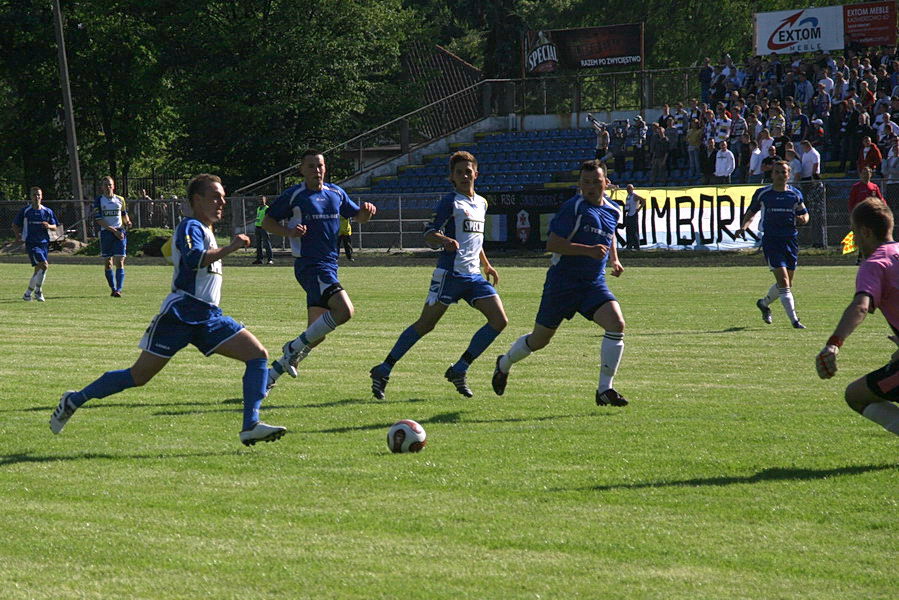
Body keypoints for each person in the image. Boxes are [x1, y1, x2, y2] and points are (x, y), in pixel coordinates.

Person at [49, 174, 286, 446]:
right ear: (197, 201)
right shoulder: (191, 227)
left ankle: (250, 425)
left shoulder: (204, 229)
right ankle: (74, 399)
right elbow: (194, 258)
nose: (222, 202)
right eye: (215, 197)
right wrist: (231, 247)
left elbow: (171, 252)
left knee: (257, 355)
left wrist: (159, 249)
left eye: (222, 197)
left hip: (208, 316)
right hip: (180, 314)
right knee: (138, 376)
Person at [369, 151, 507, 399]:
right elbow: (429, 233)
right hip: (450, 275)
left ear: (476, 173)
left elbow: (476, 239)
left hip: (474, 276)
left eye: (468, 171)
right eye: (459, 172)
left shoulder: (482, 203)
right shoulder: (450, 202)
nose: (464, 175)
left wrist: (487, 264)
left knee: (499, 321)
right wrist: (443, 240)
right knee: (426, 324)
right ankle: (384, 368)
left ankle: (460, 368)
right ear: (452, 177)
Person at [491, 160, 629, 407]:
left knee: (616, 323)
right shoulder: (573, 208)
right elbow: (552, 244)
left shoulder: (613, 210)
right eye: (586, 183)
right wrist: (588, 250)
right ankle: (504, 363)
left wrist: (614, 259)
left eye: (596, 182)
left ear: (605, 183)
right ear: (579, 184)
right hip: (562, 284)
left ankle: (604, 390)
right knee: (539, 341)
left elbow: (609, 237)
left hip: (592, 284)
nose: (591, 187)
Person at [262, 149, 377, 389]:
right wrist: (289, 233)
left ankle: (270, 376)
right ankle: (292, 348)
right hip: (311, 265)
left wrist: (366, 213)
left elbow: (358, 217)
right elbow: (266, 221)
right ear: (302, 170)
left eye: (320, 165)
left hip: (330, 266)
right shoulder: (295, 195)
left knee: (316, 334)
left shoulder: (336, 192)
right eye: (312, 166)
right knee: (345, 311)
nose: (317, 170)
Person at [815, 198, 899, 437]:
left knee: (856, 396)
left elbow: (861, 306)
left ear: (865, 231)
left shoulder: (875, 263)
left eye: (854, 232)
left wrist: (834, 344)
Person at [736, 161, 810, 329]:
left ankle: (763, 303)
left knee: (787, 283)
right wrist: (743, 227)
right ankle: (795, 321)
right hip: (771, 240)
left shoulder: (795, 194)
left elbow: (805, 215)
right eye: (777, 172)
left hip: (790, 240)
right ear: (772, 174)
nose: (780, 175)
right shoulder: (763, 193)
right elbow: (751, 213)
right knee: (784, 282)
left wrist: (803, 219)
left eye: (783, 172)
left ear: (788, 175)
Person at [11, 186, 58, 301]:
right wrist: (18, 236)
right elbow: (15, 225)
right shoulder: (26, 211)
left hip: (44, 243)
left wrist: (49, 226)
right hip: (32, 243)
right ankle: (38, 291)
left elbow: (55, 226)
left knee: (38, 269)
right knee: (44, 265)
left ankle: (27, 294)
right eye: (34, 195)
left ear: (41, 197)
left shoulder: (47, 211)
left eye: (38, 195)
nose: (36, 197)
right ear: (30, 197)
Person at [94, 176, 131, 297]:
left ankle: (118, 290)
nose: (108, 187)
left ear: (113, 186)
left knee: (120, 261)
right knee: (108, 263)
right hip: (106, 233)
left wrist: (128, 222)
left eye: (110, 184)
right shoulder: (99, 200)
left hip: (119, 233)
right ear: (102, 187)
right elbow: (99, 219)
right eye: (105, 185)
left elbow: (124, 214)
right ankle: (113, 288)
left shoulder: (120, 199)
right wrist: (113, 230)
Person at [623, 184, 645, 250]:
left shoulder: (634, 196)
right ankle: (629, 245)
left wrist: (639, 209)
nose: (628, 190)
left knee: (634, 231)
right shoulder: (628, 196)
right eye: (627, 189)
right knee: (628, 231)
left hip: (634, 214)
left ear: (632, 189)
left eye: (629, 189)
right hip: (629, 214)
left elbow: (643, 200)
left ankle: (636, 246)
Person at [253, 196, 273, 265]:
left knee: (266, 243)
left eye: (262, 199)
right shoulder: (258, 208)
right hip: (257, 227)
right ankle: (259, 259)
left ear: (265, 200)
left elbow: (269, 218)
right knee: (258, 244)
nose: (261, 201)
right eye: (260, 200)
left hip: (264, 227)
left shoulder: (267, 208)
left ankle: (270, 259)